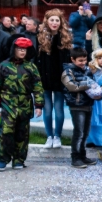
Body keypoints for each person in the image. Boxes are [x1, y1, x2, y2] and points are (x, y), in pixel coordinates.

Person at [0, 36, 43, 171]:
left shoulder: (31, 67)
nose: (22, 52)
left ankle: (19, 160)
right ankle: (3, 158)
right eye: (20, 49)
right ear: (13, 49)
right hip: (7, 103)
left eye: (25, 50)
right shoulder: (3, 66)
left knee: (22, 133)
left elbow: (37, 87)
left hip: (25, 104)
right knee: (6, 132)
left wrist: (39, 105)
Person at [37, 9, 73, 149]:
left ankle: (57, 136)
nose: (54, 23)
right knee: (47, 109)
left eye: (57, 20)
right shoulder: (40, 37)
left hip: (60, 79)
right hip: (44, 78)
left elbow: (67, 58)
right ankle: (49, 136)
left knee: (59, 109)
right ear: (47, 21)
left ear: (60, 22)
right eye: (51, 20)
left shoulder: (65, 37)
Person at [61, 47, 98, 169]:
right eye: (80, 60)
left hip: (88, 104)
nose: (83, 62)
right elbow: (72, 86)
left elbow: (94, 84)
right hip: (76, 106)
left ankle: (82, 155)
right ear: (72, 59)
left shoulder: (88, 70)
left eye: (85, 60)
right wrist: (87, 85)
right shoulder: (67, 72)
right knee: (79, 132)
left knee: (86, 132)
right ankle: (75, 157)